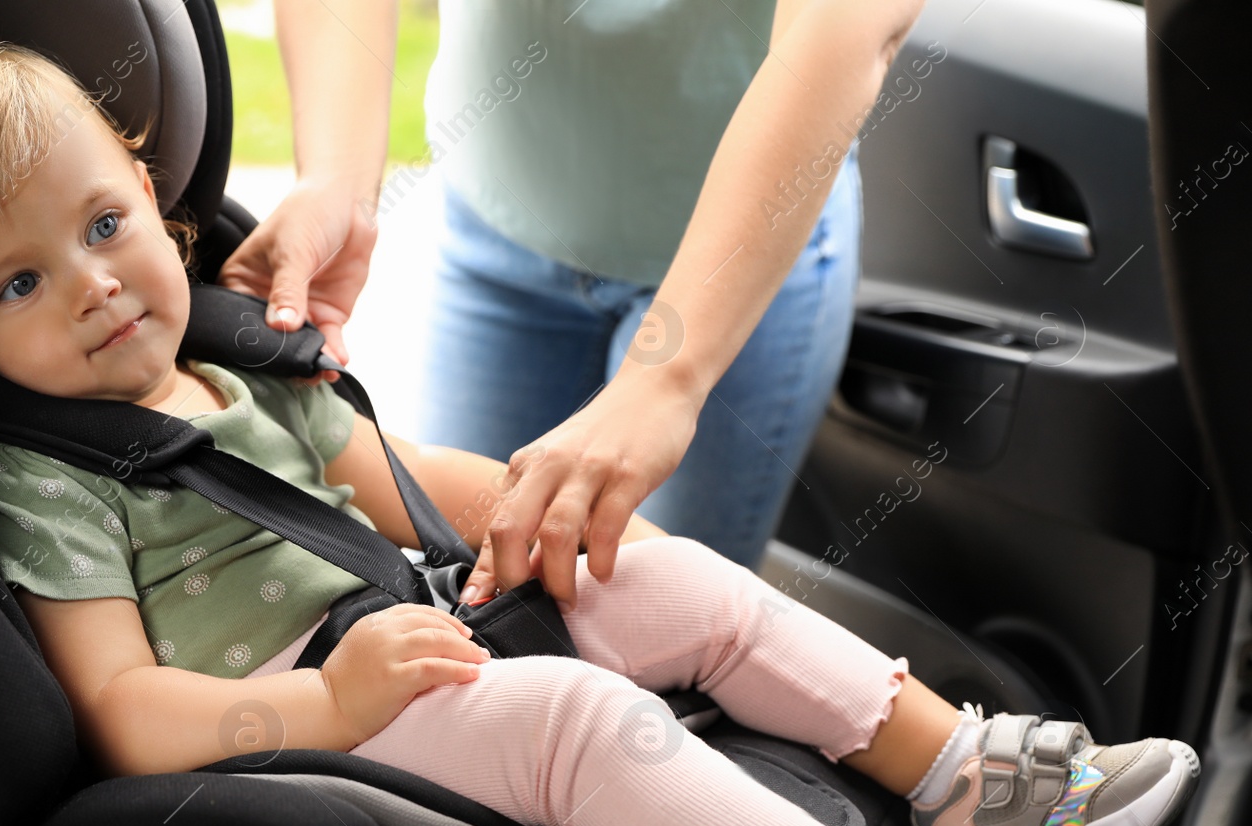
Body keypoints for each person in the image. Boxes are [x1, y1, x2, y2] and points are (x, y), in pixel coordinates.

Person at [0, 20, 1211, 826]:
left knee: (660, 571)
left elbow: (408, 486)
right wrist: (325, 699)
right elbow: (120, 712)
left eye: (101, 228)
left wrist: (546, 517)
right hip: (293, 715)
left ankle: (966, 782)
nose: (91, 285)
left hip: (402, 628)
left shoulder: (235, 364)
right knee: (580, 724)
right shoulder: (37, 476)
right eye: (18, 283)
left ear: (154, 198)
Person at [220, 0, 922, 611]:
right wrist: (338, 180)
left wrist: (666, 378)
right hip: (500, 228)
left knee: (672, 641)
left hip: (733, 271)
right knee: (469, 601)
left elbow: (845, 25)